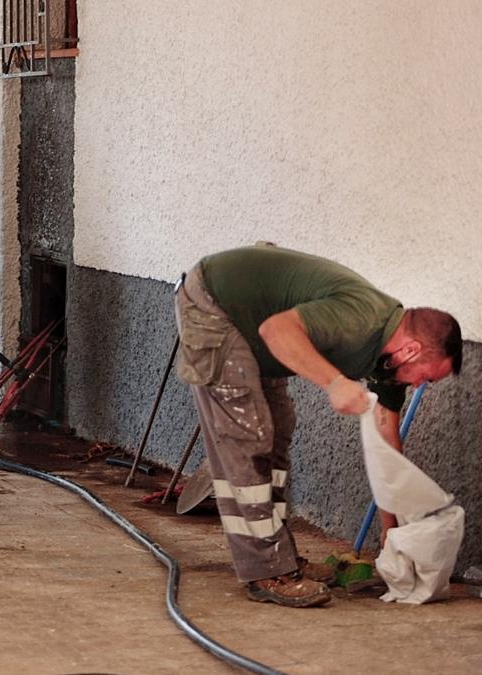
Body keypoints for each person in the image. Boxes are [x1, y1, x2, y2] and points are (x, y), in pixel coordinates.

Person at [174, 245, 463, 607]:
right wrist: (334, 382)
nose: (421, 386)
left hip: (250, 328)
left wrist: (391, 530)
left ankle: (281, 558)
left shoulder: (391, 362)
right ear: (411, 351)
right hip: (216, 306)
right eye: (427, 378)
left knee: (277, 432)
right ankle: (265, 572)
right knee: (249, 439)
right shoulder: (362, 320)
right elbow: (276, 329)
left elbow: (387, 449)